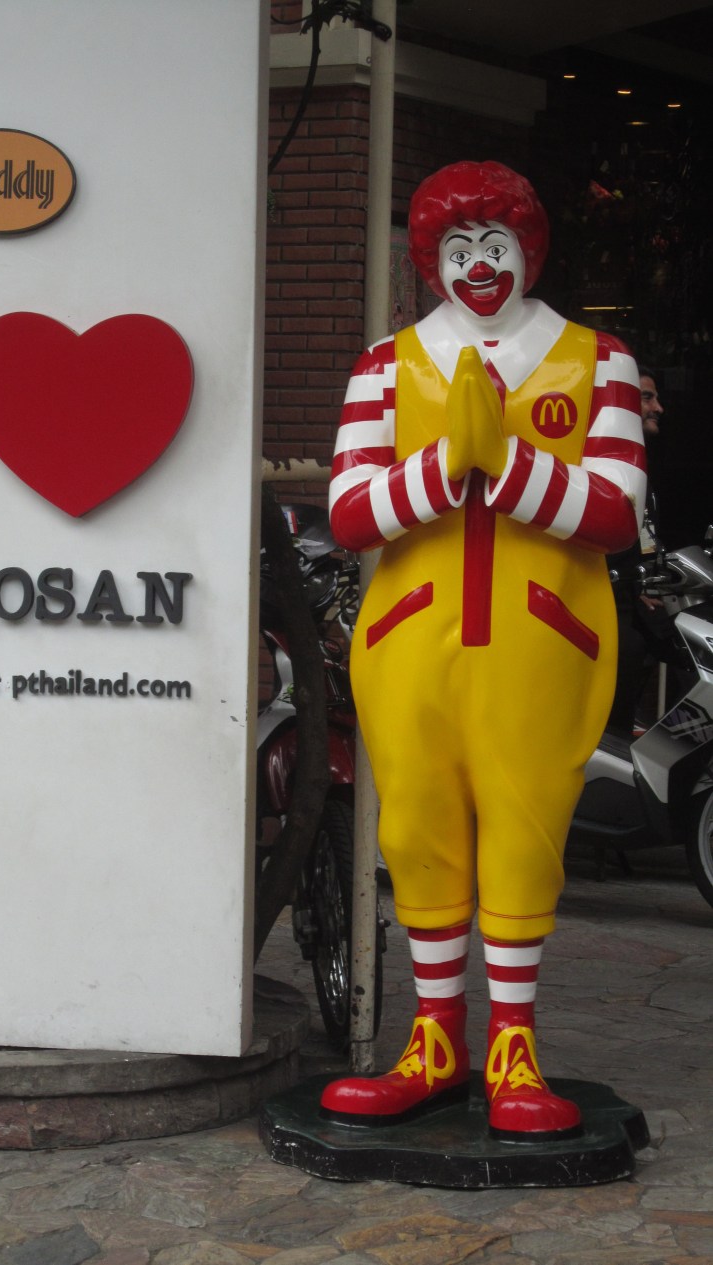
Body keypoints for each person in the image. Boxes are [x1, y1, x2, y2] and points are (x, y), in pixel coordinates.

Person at [322, 161, 646, 1139]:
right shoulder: (385, 365)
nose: (477, 267)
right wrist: (442, 464)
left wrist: (502, 462)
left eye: (493, 245)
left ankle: (512, 1048)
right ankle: (434, 1041)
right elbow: (348, 513)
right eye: (457, 249)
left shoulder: (598, 360)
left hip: (539, 644)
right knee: (416, 828)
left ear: (528, 251)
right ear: (428, 261)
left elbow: (615, 513)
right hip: (409, 641)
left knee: (523, 829)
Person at [606, 369, 664, 737]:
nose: (658, 408)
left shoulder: (639, 464)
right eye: (647, 397)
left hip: (635, 601)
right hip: (604, 607)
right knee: (628, 646)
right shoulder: (605, 464)